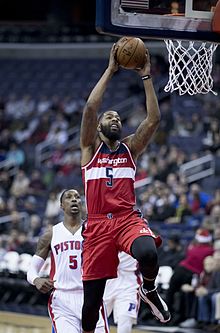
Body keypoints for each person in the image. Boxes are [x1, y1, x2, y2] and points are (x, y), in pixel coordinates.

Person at [80, 42, 170, 333]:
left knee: (148, 252)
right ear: (98, 127)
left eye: (118, 117)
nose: (115, 118)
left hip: (126, 219)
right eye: (110, 117)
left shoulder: (130, 148)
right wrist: (110, 70)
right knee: (92, 304)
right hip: (96, 226)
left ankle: (149, 289)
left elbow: (153, 119)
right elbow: (91, 107)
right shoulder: (89, 148)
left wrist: (146, 76)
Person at [27, 189, 108, 333]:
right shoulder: (50, 234)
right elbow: (32, 270)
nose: (74, 200)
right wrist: (36, 280)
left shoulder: (94, 231)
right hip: (62, 300)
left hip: (91, 296)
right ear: (61, 205)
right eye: (69, 197)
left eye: (77, 197)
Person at [103, 251, 141, 333]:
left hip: (129, 283)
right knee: (96, 321)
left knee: (125, 319)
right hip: (106, 281)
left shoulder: (138, 238)